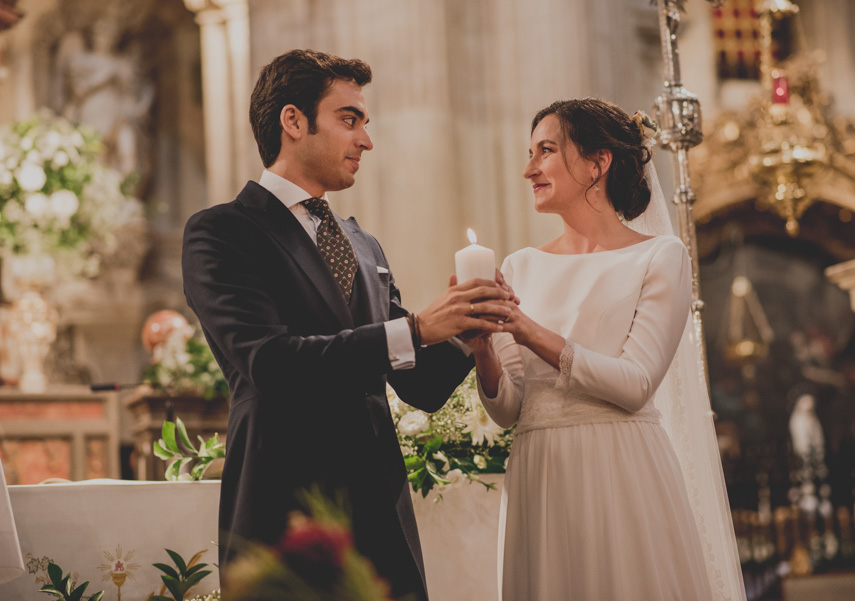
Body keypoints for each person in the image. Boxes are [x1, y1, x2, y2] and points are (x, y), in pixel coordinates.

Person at [181, 49, 514, 600]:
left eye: (364, 123)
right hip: (286, 503)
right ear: (293, 121)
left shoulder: (363, 244)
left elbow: (419, 387)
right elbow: (268, 361)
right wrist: (416, 328)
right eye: (349, 119)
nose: (366, 140)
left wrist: (469, 333)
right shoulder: (222, 231)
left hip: (379, 509)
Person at [466, 98, 745, 600]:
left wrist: (527, 330)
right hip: (540, 471)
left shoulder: (659, 256)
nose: (528, 169)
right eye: (529, 153)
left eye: (545, 151)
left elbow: (635, 385)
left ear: (598, 162)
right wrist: (483, 347)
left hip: (620, 468)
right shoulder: (520, 265)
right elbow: (508, 410)